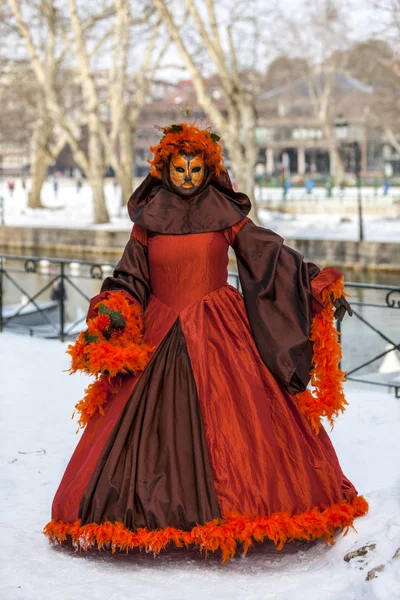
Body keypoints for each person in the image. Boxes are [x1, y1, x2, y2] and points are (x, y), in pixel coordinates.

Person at [44, 123, 368, 562]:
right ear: (165, 168)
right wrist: (114, 308)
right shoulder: (148, 219)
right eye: (181, 167)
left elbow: (266, 256)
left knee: (240, 427)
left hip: (220, 329)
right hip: (158, 328)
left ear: (209, 169)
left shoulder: (224, 213)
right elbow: (130, 278)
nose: (189, 175)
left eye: (197, 167)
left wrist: (311, 280)